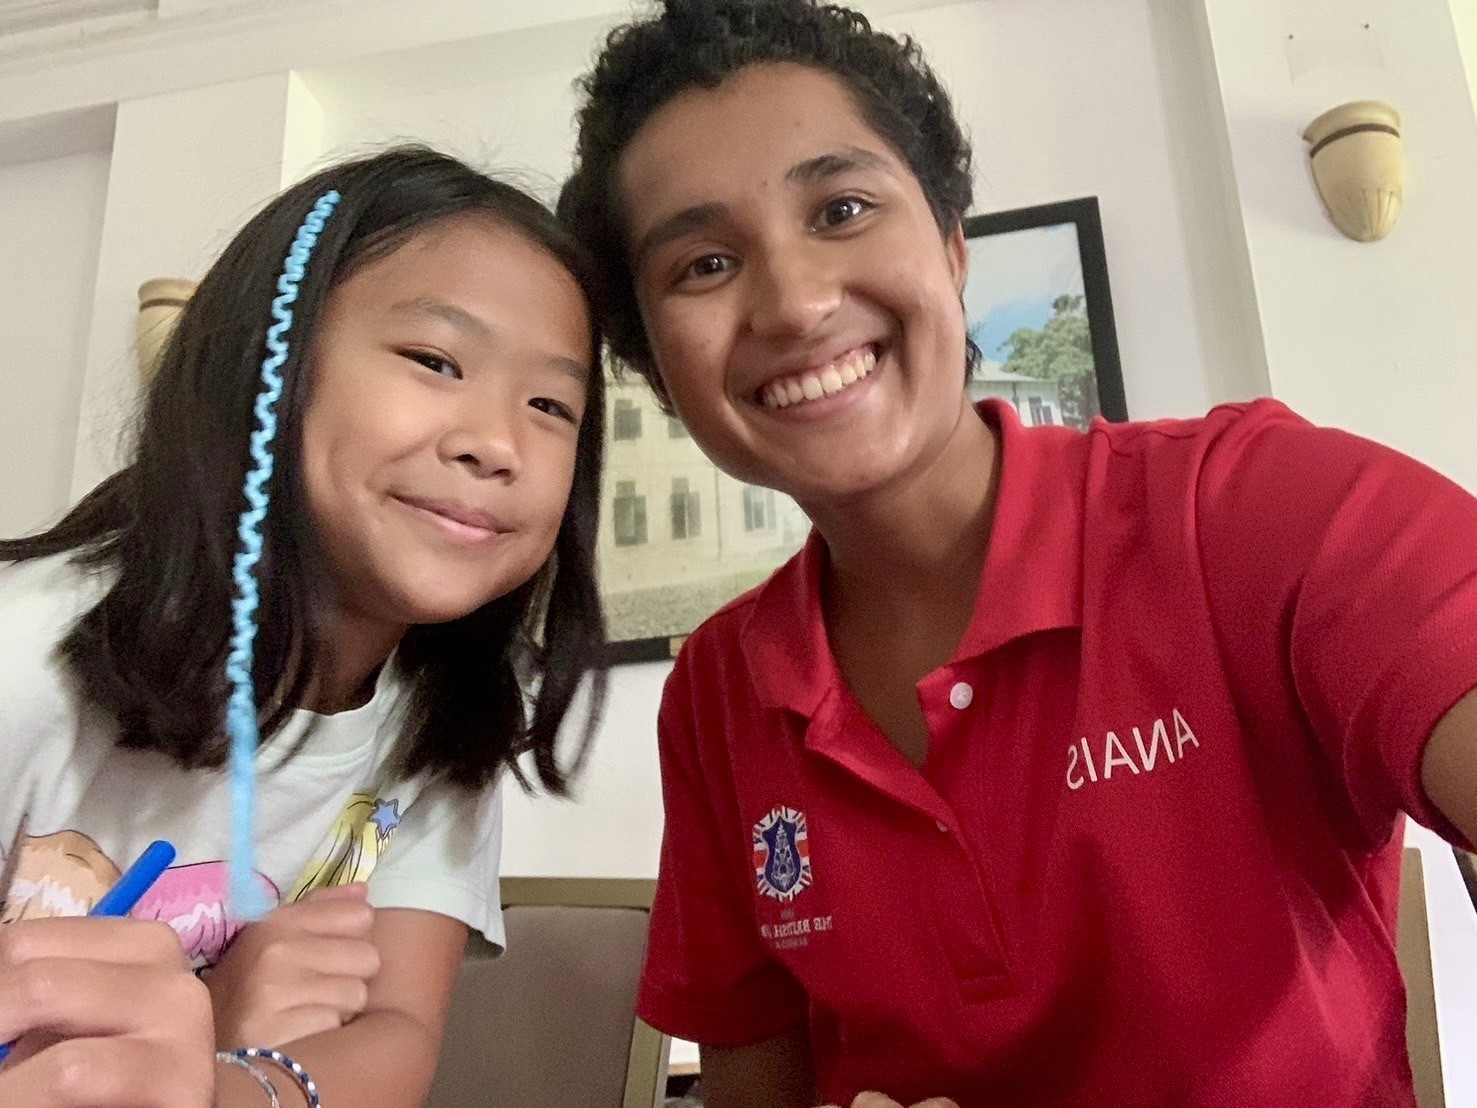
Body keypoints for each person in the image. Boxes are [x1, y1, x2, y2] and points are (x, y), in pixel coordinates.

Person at [557, 2, 1477, 1105]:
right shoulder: (718, 695)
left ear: (952, 246)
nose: (795, 304)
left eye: (841, 209)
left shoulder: (1248, 508)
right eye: (704, 264)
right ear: (655, 366)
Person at [0, 144, 607, 1105]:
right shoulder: (23, 659)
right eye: (434, 361)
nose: (497, 443)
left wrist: (214, 1084)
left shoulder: (440, 725)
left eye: (550, 405)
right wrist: (215, 1024)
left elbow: (395, 1039)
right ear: (266, 368)